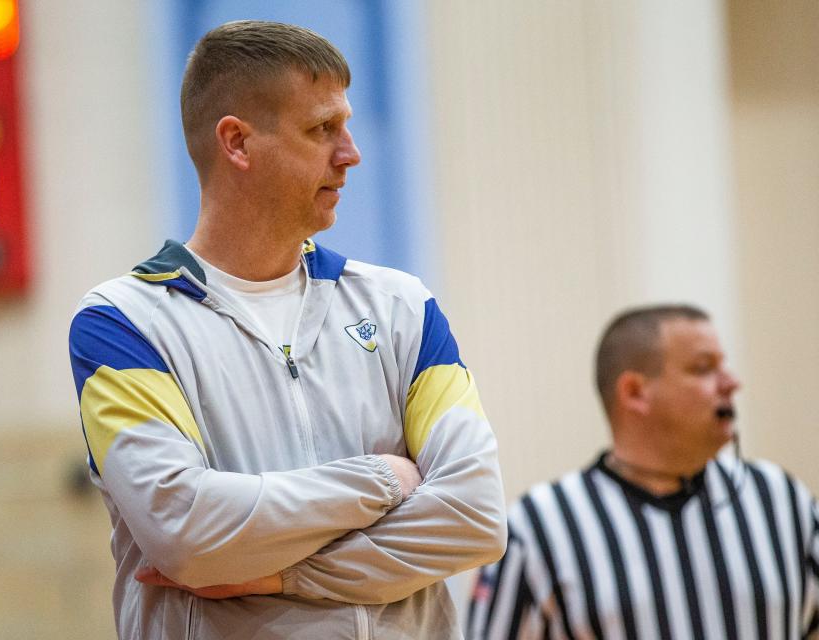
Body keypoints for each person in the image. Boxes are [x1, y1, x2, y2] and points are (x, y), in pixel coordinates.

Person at [68, 20, 506, 640]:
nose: (351, 153)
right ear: (238, 143)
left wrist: (280, 578)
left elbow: (475, 515)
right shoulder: (120, 323)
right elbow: (186, 535)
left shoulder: (403, 306)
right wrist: (385, 480)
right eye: (321, 129)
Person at [467, 304, 819, 639]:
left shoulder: (782, 499)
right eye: (703, 368)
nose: (731, 382)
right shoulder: (539, 525)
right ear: (635, 392)